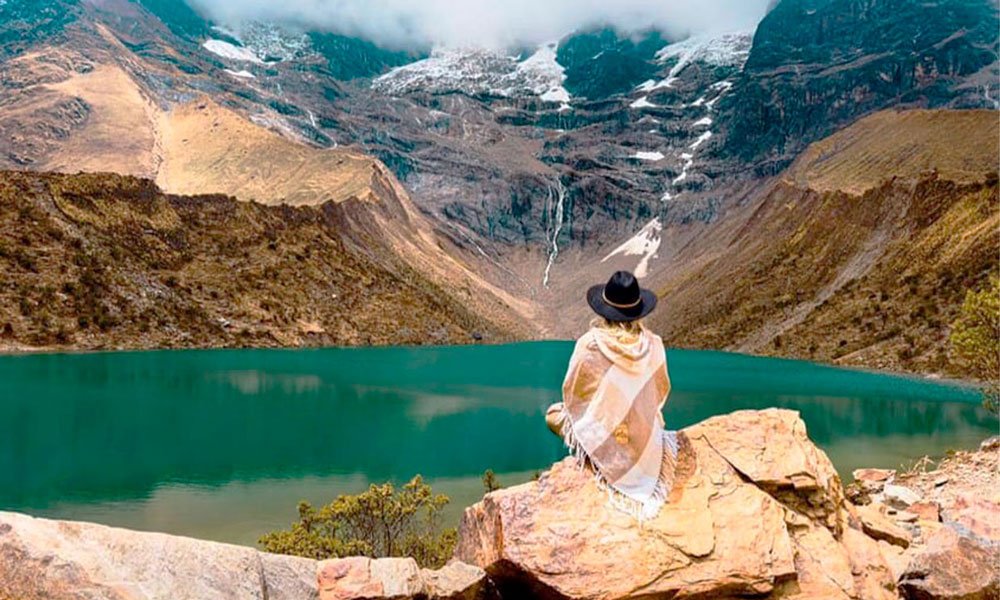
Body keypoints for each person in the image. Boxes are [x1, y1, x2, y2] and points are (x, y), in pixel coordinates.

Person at [545, 270, 677, 520]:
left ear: (604, 311)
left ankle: (601, 455)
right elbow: (661, 390)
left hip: (607, 435)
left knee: (553, 415)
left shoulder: (590, 344)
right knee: (653, 421)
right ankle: (639, 453)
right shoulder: (654, 344)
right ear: (639, 311)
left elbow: (573, 397)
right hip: (643, 436)